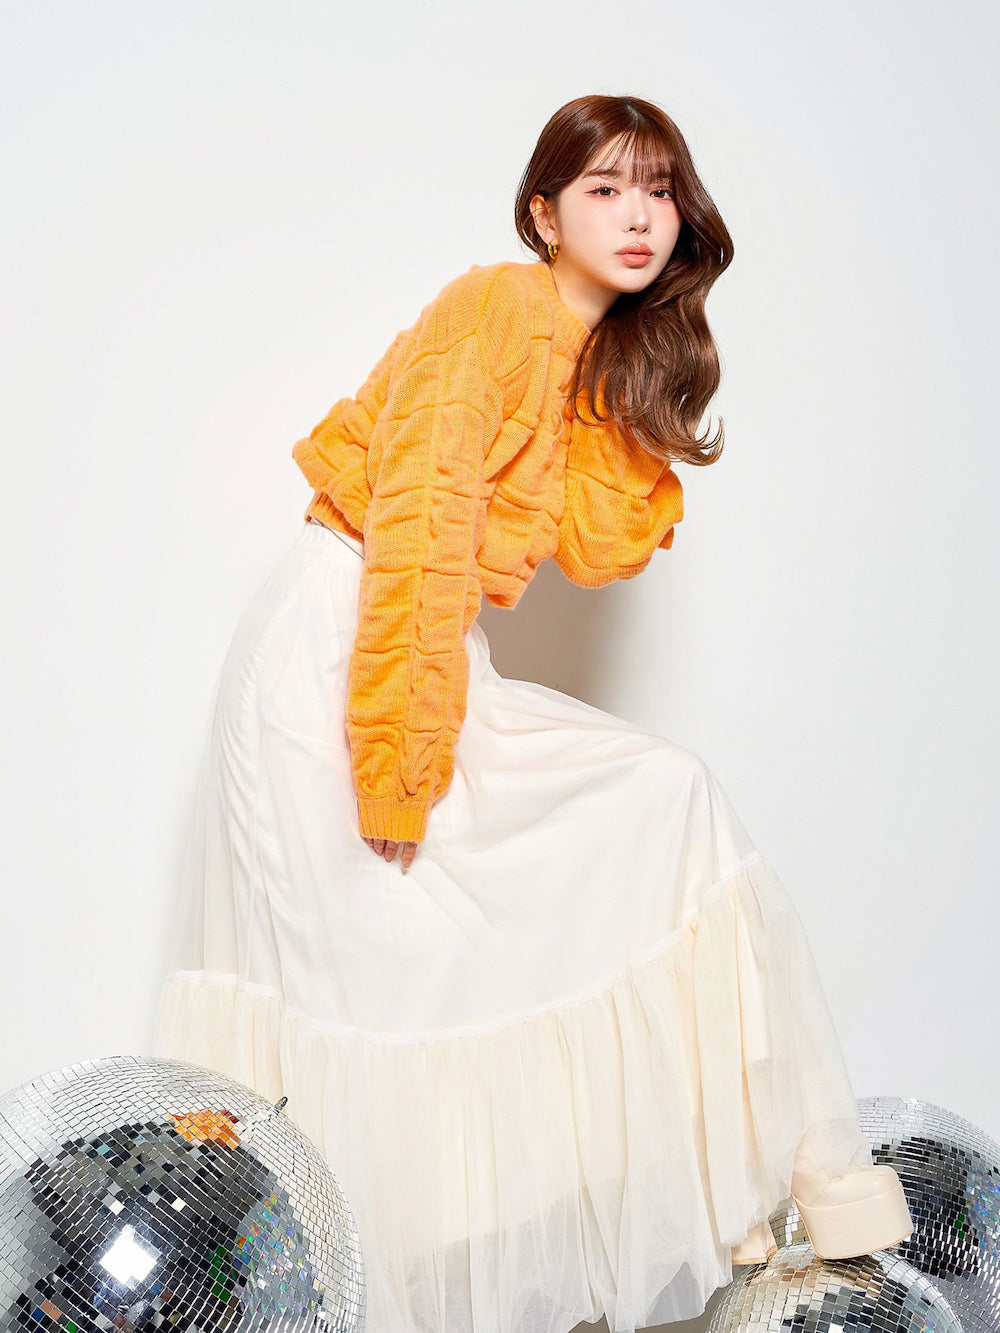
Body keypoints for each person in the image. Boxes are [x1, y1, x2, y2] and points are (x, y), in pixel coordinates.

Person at [152, 94, 913, 1332]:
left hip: (423, 645)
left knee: (665, 798)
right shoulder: (492, 310)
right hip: (348, 641)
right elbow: (418, 528)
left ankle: (777, 1193)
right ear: (543, 212)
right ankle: (333, 1292)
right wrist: (398, 761)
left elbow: (603, 544)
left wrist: (638, 366)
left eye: (658, 191)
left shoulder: (582, 348)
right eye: (604, 189)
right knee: (362, 975)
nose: (638, 215)